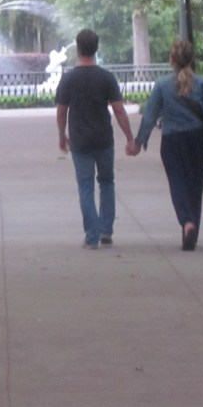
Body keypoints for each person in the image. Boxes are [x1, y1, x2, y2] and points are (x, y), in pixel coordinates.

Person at [134, 38, 203, 251]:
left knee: (178, 183)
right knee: (196, 186)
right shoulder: (202, 83)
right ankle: (192, 230)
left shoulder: (162, 85)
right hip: (198, 139)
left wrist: (139, 141)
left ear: (172, 60)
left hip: (173, 141)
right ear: (191, 59)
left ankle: (187, 222)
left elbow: (150, 116)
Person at [55, 29, 138, 249]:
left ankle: (91, 236)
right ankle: (106, 230)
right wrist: (129, 136)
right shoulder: (106, 77)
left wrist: (62, 135)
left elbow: (61, 111)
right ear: (96, 48)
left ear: (78, 48)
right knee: (107, 183)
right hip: (103, 139)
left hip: (80, 140)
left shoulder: (69, 78)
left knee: (85, 186)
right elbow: (119, 110)